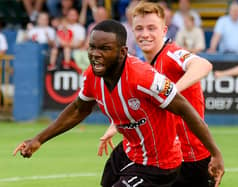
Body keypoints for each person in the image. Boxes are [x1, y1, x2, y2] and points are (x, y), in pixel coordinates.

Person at [14, 20, 224, 187]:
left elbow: (186, 109)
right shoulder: (93, 76)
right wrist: (38, 139)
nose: (96, 54)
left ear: (122, 52)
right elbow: (78, 109)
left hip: (159, 164)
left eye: (104, 49)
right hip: (128, 152)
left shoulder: (144, 77)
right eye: (92, 48)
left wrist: (215, 154)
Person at [99, 2, 224, 187]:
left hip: (191, 158)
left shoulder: (171, 54)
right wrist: (115, 126)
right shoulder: (141, 66)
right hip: (158, 154)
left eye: (152, 28)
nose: (145, 34)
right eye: (139, 29)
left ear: (164, 30)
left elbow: (203, 65)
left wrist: (171, 92)